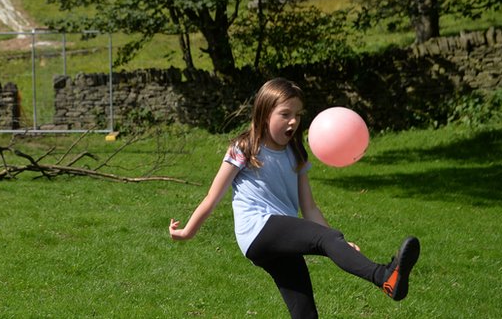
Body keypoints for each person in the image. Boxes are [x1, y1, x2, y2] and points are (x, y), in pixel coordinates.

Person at [168, 78, 420, 318]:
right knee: (327, 238)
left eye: (298, 115)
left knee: (305, 314)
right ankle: (385, 277)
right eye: (285, 114)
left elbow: (309, 208)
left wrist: (338, 244)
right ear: (265, 113)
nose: (293, 121)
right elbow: (213, 196)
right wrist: (188, 231)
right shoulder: (245, 148)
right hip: (257, 230)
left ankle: (384, 275)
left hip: (279, 239)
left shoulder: (296, 153)